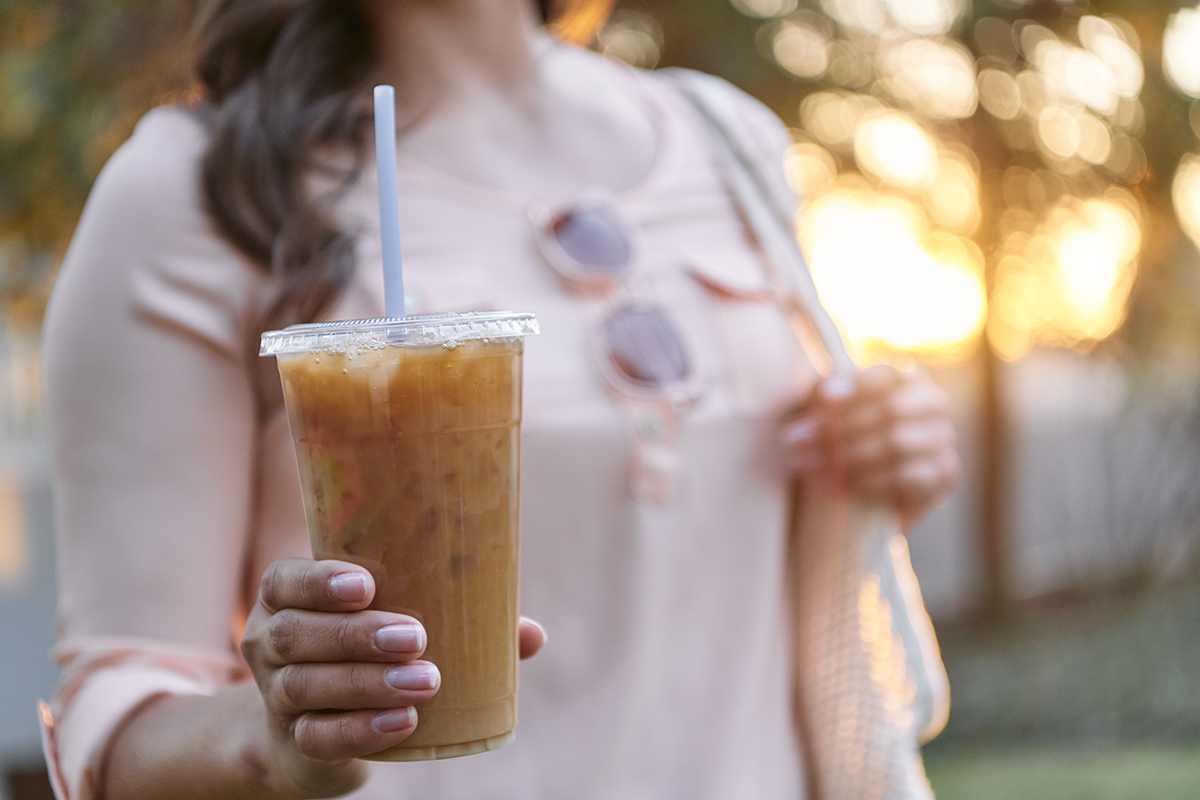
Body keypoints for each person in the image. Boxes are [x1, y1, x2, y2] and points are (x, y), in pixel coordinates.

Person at [39, 0, 961, 798]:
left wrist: (882, 453)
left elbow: (757, 508)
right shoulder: (191, 191)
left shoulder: (731, 141)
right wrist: (275, 737)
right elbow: (117, 726)